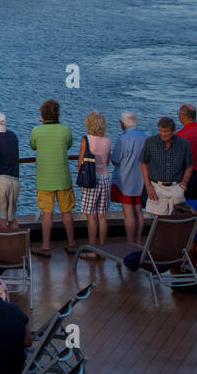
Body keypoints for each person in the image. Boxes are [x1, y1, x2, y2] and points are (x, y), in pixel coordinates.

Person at [29, 98, 76, 256]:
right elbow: (68, 145)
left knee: (47, 214)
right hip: (63, 177)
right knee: (67, 212)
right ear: (58, 114)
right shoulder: (65, 130)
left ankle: (46, 246)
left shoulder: (37, 130)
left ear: (42, 116)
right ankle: (71, 243)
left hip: (44, 179)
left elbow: (33, 145)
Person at [141, 117, 192, 217]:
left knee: (179, 220)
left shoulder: (183, 144)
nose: (163, 134)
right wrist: (148, 185)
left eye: (166, 131)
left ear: (173, 131)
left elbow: (189, 166)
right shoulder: (150, 142)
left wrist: (183, 185)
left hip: (176, 187)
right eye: (160, 130)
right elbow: (143, 163)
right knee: (155, 221)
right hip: (156, 188)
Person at [110, 112, 148, 244]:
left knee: (128, 212)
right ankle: (138, 241)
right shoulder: (144, 137)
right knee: (138, 210)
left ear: (123, 123)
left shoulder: (123, 139)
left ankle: (130, 242)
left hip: (125, 180)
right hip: (140, 180)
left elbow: (115, 159)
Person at [78, 111, 113, 253]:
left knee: (91, 216)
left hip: (91, 180)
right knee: (102, 216)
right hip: (105, 178)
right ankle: (103, 248)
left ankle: (92, 249)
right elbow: (108, 161)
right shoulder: (108, 140)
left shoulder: (86, 139)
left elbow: (81, 161)